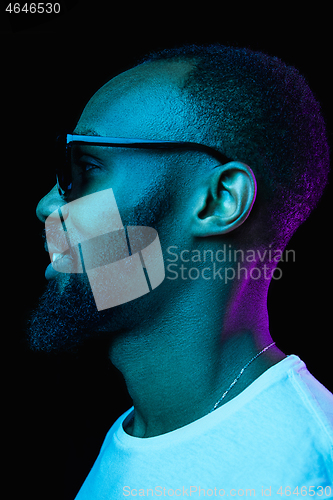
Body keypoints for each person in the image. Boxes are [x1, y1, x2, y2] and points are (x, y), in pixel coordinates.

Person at [27, 44, 333, 497]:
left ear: (218, 202)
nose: (47, 206)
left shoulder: (303, 479)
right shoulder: (144, 430)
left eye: (87, 167)